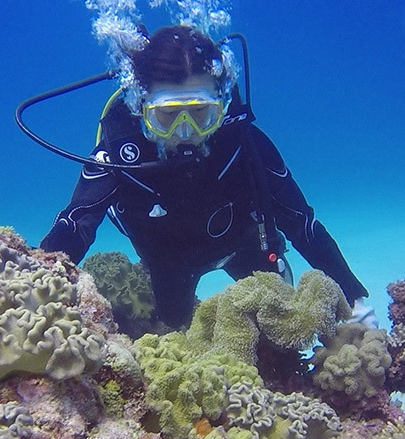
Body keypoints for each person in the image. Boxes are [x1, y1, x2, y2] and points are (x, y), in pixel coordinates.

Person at [41, 25, 369, 328]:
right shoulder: (120, 155)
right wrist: (38, 283)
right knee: (174, 324)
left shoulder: (245, 144)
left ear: (222, 107)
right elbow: (77, 221)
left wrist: (357, 302)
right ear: (141, 107)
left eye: (202, 114)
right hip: (169, 264)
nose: (187, 133)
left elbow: (302, 223)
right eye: (167, 117)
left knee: (279, 324)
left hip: (245, 248)